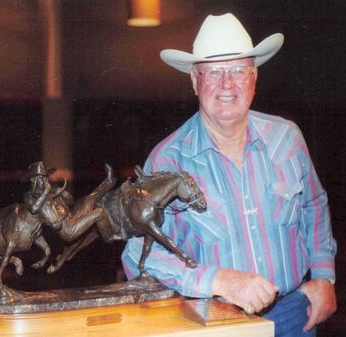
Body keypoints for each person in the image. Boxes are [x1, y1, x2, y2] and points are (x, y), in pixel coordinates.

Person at [121, 13, 337, 337]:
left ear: (254, 77)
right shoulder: (167, 161)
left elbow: (314, 205)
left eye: (237, 70)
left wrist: (324, 275)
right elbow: (139, 255)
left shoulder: (287, 138)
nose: (227, 84)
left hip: (296, 316)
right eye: (214, 72)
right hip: (216, 323)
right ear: (195, 80)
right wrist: (220, 280)